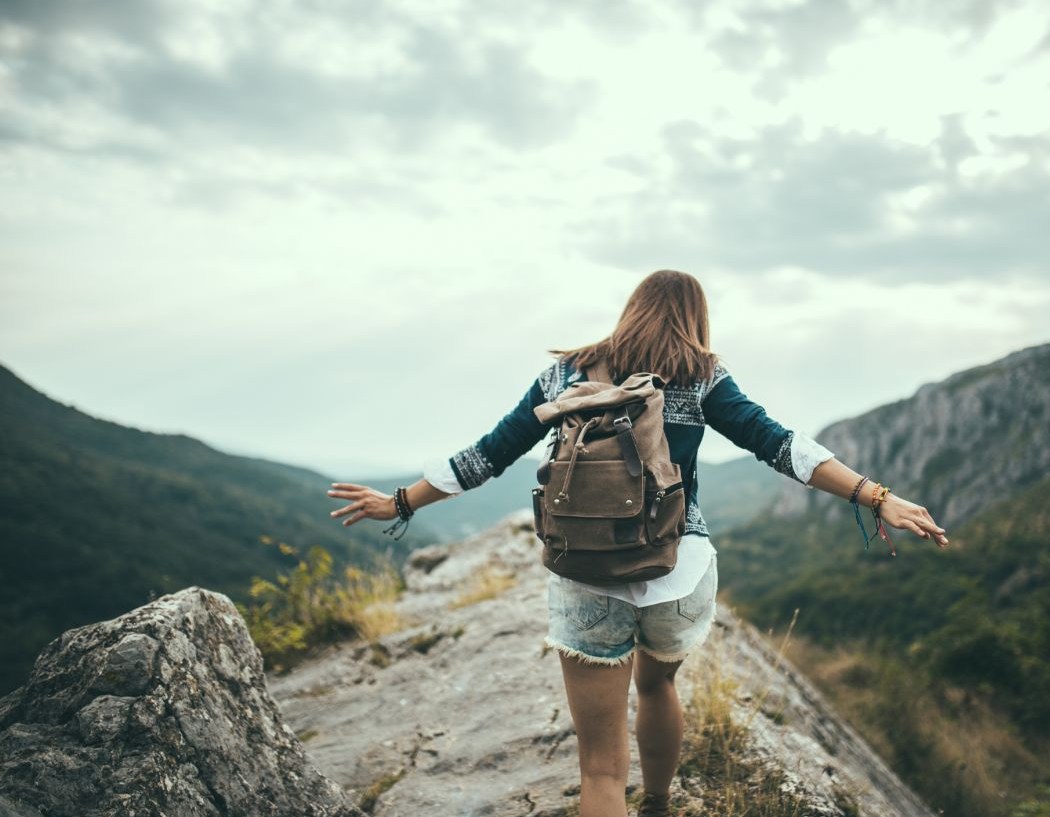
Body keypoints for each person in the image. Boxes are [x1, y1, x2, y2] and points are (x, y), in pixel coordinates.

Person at [326, 270, 949, 817]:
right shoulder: (702, 376)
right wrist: (875, 495)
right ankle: (657, 805)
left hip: (584, 572)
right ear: (695, 319)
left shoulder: (564, 375)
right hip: (678, 568)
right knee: (657, 687)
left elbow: (486, 455)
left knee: (599, 769)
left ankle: (624, 797)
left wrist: (401, 501)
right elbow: (781, 445)